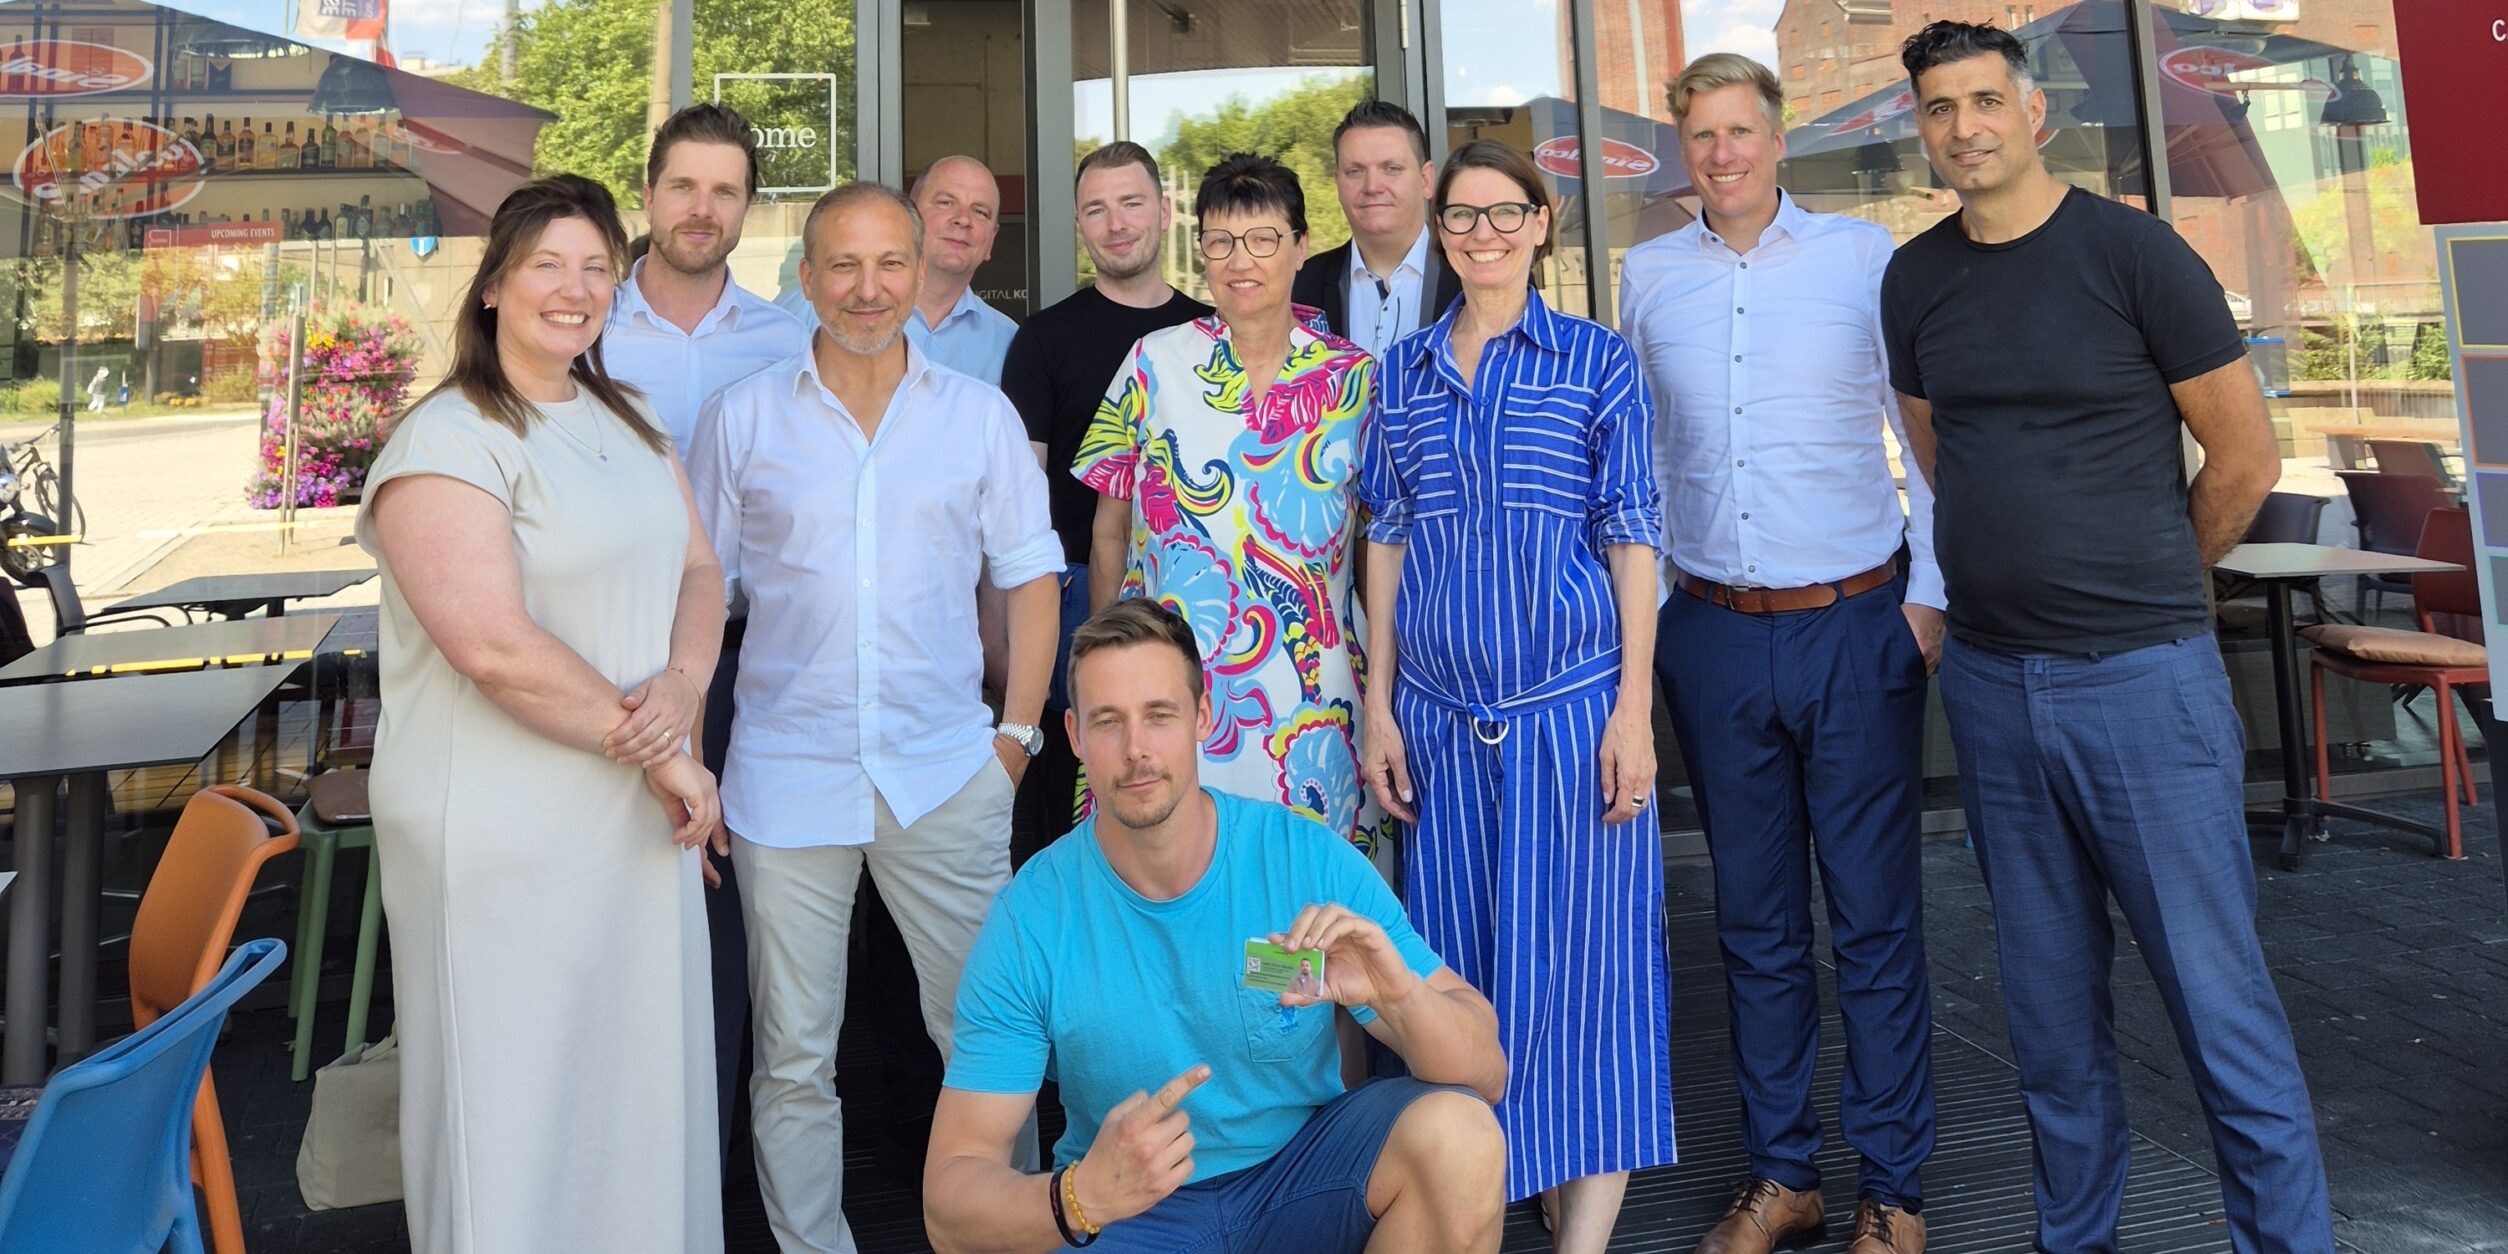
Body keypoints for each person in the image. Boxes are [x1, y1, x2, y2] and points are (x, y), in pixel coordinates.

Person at [1881, 21, 2332, 1254]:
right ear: (1921, 128)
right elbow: (1940, 456)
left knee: (2218, 1005)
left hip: (2143, 685)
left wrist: (2148, 580)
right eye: (1938, 107)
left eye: (1984, 100)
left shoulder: (2137, 255)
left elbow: (2245, 458)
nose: (1964, 126)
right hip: (1988, 686)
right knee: (2048, 1016)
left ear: (2034, 114)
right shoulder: (1914, 278)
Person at [686, 180, 1063, 1254]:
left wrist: (1016, 739)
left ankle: (1001, 1236)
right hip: (784, 781)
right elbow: (697, 594)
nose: (867, 288)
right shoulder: (742, 419)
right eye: (841, 266)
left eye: (889, 263)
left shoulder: (978, 418)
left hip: (948, 773)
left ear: (921, 270)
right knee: (795, 1058)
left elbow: (1032, 579)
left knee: (985, 1039)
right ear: (805, 280)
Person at [356, 173, 725, 1254]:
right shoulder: (448, 442)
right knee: (515, 1111)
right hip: (503, 837)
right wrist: (666, 754)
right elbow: (495, 650)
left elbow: (701, 573)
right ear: (494, 288)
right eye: (547, 266)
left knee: (634, 1097)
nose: (575, 289)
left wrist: (685, 693)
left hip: (632, 821)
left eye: (597, 266)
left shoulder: (633, 415)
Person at [1619, 53, 1938, 1254]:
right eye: (1702, 135)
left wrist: (1930, 601)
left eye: (1741, 131)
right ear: (1683, 149)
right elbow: (1637, 473)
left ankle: (1892, 1192)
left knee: (1874, 922)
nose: (1723, 154)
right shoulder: (1645, 278)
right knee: (1752, 923)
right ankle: (1783, 1176)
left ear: (1777, 138)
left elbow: (1929, 433)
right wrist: (1644, 641)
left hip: (1859, 623)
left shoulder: (1864, 261)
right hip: (1712, 634)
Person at [924, 599, 1509, 1254]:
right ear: (1076, 736)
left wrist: (1398, 995)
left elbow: (1484, 1072)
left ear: (1202, 717)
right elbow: (950, 1201)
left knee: (1462, 1138)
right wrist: (1079, 1196)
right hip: (1132, 1210)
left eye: (1159, 715)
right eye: (1108, 722)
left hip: (1302, 1182)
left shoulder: (1301, 860)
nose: (1137, 749)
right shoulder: (1031, 919)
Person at [1357, 138, 1675, 1252]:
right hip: (1440, 727)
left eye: (1504, 215)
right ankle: (1488, 1200)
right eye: (1461, 218)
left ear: (1542, 223)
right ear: (1438, 231)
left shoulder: (1598, 362)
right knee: (1462, 977)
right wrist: (1379, 707)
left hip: (1573, 717)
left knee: (1591, 975)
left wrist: (1633, 713)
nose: (1481, 235)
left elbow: (1634, 537)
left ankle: (1581, 1241)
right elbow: (1385, 544)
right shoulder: (1399, 374)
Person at [602, 98, 812, 1168]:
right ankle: (609, 1154)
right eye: (684, 185)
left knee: (724, 909)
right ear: (649, 192)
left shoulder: (787, 341)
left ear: (748, 208)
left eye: (725, 190)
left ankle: (706, 1162)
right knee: (606, 906)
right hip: (593, 662)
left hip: (735, 666)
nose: (702, 207)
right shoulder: (584, 322)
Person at [1077, 152, 1389, 854]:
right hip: (1169, 696)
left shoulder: (1354, 380)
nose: (1239, 260)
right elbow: (1108, 535)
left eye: (1262, 239)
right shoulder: (1151, 363)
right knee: (1176, 883)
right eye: (1219, 241)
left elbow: (1380, 551)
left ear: (1301, 247)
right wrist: (1106, 666)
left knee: (1306, 906)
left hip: (1318, 696)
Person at [999, 140, 1211, 854]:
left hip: (1199, 594)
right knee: (1084, 806)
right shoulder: (1042, 340)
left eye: (1130, 203)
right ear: (1080, 225)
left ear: (1164, 209)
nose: (1116, 223)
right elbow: (1020, 499)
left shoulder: (1210, 333)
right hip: (1076, 593)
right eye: (1096, 209)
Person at [1290, 100, 1462, 358]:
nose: (1373, 186)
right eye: (1355, 171)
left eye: (1391, 168)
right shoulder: (1298, 289)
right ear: (1338, 183)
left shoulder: (1470, 278)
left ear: (1426, 180)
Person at [906, 154, 1019, 387]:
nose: (963, 219)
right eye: (946, 202)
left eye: (980, 212)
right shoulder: (822, 313)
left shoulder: (1011, 344)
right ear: (908, 218)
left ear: (991, 241)